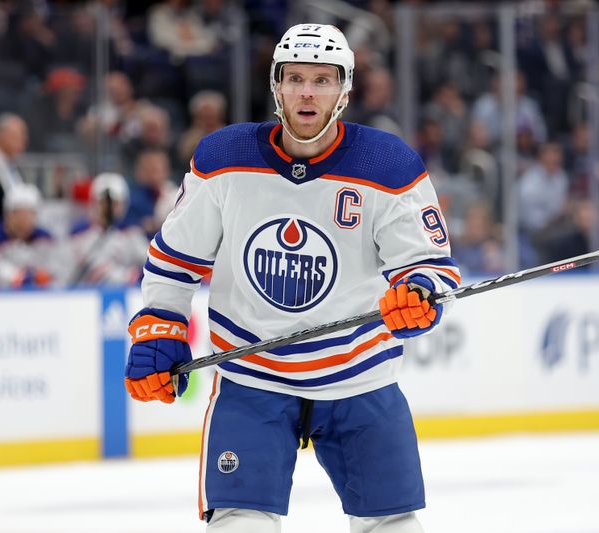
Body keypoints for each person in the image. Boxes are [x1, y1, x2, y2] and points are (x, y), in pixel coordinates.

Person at [123, 24, 460, 533]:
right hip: (251, 377)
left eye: (323, 80)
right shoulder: (224, 160)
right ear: (276, 85)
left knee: (392, 525)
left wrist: (419, 296)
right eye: (295, 78)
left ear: (344, 90)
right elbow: (176, 258)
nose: (307, 92)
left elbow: (429, 268)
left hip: (359, 378)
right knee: (240, 523)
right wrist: (160, 324)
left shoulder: (387, 166)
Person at [67, 172, 149, 286]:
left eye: (115, 203)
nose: (109, 208)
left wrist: (136, 275)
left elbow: (151, 265)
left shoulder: (132, 234)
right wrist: (128, 275)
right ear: (94, 203)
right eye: (104, 203)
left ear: (124, 205)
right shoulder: (79, 235)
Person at [0, 183, 60, 288]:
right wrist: (13, 276)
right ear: (7, 216)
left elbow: (58, 269)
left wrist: (46, 275)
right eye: (17, 214)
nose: (22, 220)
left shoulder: (45, 239)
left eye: (28, 214)